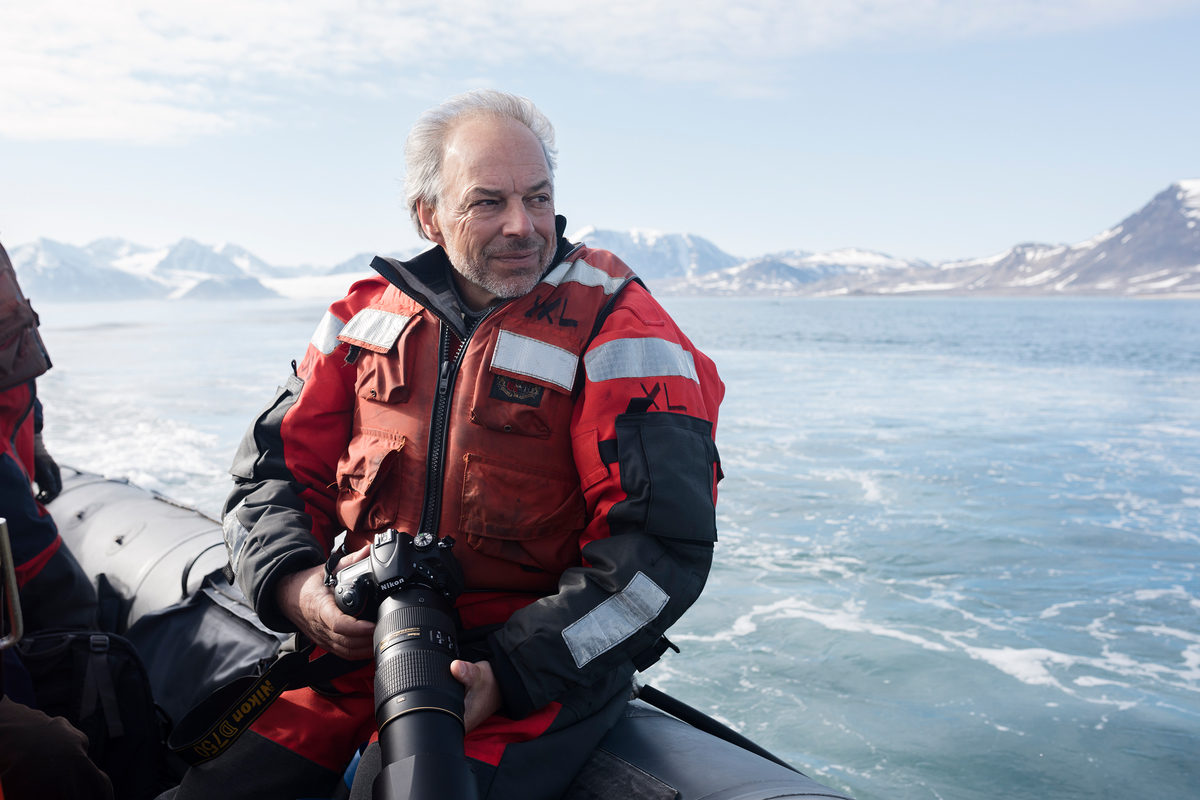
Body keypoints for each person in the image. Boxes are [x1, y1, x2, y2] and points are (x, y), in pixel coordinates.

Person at [172, 90, 724, 800]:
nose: (524, 226)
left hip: (528, 673)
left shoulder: (623, 325)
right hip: (363, 643)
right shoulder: (363, 315)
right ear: (428, 217)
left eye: (538, 197)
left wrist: (513, 674)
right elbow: (269, 475)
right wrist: (299, 590)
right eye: (488, 202)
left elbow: (660, 552)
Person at [0, 239, 97, 633]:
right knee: (70, 604)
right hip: (11, 518)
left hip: (15, 470)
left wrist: (36, 444)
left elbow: (18, 357)